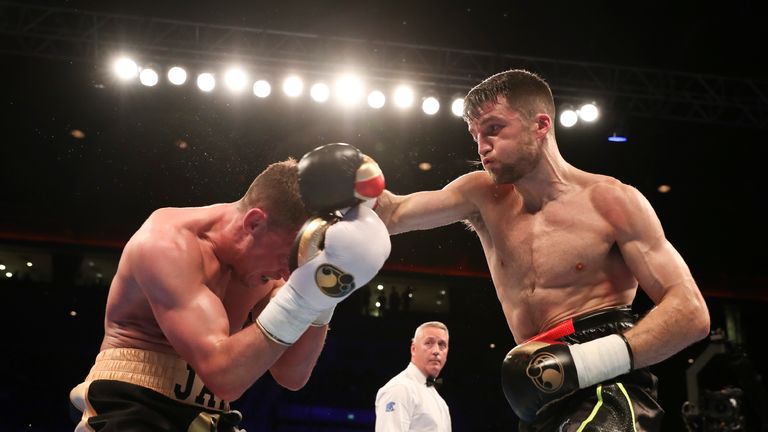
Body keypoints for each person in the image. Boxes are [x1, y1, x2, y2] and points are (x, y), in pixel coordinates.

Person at [374, 69, 710, 431]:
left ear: (540, 125)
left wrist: (585, 362)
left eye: (493, 129)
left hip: (609, 385)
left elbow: (691, 313)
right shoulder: (483, 195)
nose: (482, 146)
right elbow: (392, 214)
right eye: (475, 136)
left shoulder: (611, 201)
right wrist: (352, 182)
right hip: (536, 385)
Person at [70, 151, 391, 431]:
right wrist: (303, 297)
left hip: (211, 415)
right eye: (286, 257)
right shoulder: (167, 244)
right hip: (134, 400)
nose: (287, 272)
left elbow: (292, 375)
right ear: (254, 223)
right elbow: (223, 376)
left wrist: (325, 295)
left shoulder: (266, 267)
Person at [375, 321, 451, 432]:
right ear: (413, 349)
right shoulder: (400, 388)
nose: (436, 351)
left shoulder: (440, 402)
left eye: (442, 345)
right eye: (429, 343)